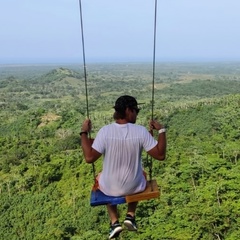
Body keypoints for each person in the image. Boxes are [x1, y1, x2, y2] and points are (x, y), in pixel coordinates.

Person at [80, 95, 166, 239]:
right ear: (128, 110)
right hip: (134, 188)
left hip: (109, 189)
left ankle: (114, 222)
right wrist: (161, 130)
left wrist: (83, 132)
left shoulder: (105, 131)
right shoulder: (140, 131)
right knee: (142, 174)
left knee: (101, 177)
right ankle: (130, 215)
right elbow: (160, 155)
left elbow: (89, 157)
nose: (136, 115)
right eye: (135, 111)